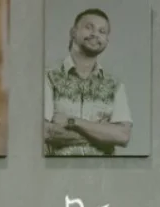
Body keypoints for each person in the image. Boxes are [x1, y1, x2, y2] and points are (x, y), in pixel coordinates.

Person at [44, 8, 133, 156]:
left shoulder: (115, 85)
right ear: (73, 32)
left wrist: (73, 122)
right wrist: (104, 134)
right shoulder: (48, 77)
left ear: (106, 41)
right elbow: (45, 132)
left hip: (104, 170)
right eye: (89, 27)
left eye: (102, 31)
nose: (95, 34)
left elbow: (123, 136)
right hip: (57, 169)